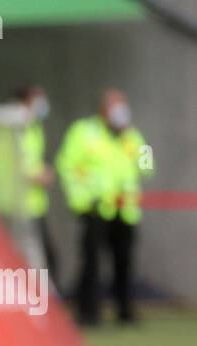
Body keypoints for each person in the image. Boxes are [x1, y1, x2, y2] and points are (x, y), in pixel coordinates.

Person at [56, 89, 150, 326]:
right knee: (91, 262)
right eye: (115, 107)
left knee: (124, 261)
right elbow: (67, 165)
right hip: (95, 208)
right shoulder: (84, 132)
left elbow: (148, 168)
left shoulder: (133, 136)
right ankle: (88, 313)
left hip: (125, 209)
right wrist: (81, 200)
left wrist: (138, 144)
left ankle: (124, 311)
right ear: (103, 109)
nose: (120, 113)